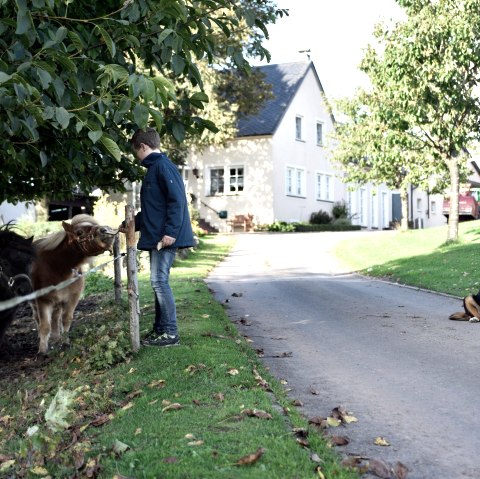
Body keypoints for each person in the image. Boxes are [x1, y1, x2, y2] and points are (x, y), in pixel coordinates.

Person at [121, 128, 195, 347]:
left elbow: (177, 201)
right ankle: (160, 329)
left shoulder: (162, 167)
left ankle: (170, 333)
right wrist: (131, 224)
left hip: (166, 238)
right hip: (159, 237)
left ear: (143, 146)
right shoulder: (155, 169)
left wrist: (171, 232)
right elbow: (154, 209)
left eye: (137, 151)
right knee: (158, 282)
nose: (137, 157)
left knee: (159, 281)